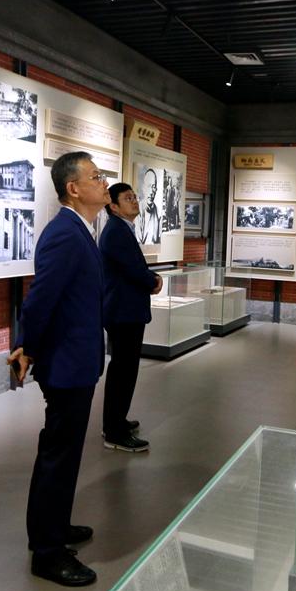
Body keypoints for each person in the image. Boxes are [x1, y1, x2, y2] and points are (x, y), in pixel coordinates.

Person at [7, 151, 110, 587]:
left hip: (76, 359)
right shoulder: (66, 234)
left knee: (61, 452)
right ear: (73, 188)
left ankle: (52, 526)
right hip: (66, 363)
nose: (104, 183)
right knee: (59, 455)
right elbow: (39, 299)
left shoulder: (80, 229)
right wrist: (26, 347)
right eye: (96, 176)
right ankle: (48, 552)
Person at [99, 182, 162, 453]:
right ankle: (114, 432)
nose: (134, 201)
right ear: (113, 206)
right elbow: (132, 270)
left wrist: (150, 278)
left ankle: (115, 422)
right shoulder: (116, 230)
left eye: (134, 196)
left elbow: (133, 266)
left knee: (123, 370)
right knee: (123, 371)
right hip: (122, 312)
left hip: (125, 310)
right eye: (127, 198)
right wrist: (153, 281)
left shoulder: (122, 228)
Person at [135, 167, 160, 244]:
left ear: (156, 190)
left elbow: (158, 240)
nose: (151, 191)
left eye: (153, 187)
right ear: (143, 188)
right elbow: (138, 243)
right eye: (149, 186)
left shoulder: (157, 211)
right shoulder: (138, 210)